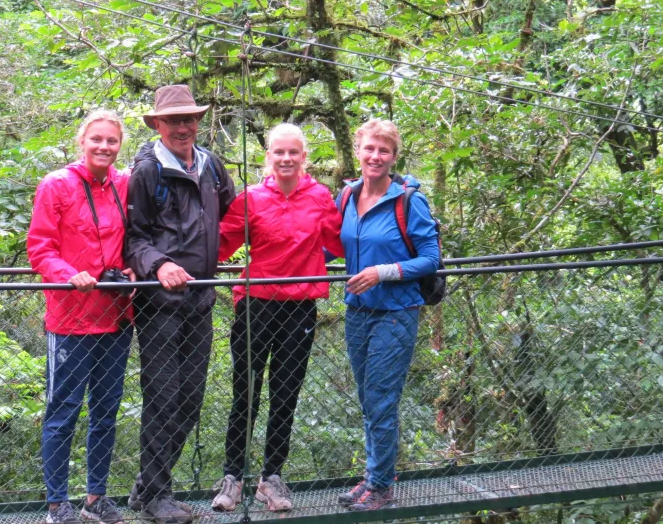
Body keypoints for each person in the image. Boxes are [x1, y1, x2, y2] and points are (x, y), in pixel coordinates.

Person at [211, 123, 344, 512]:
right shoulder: (251, 198)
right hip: (256, 303)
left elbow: (341, 241)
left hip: (300, 306)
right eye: (279, 152)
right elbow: (220, 243)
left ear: (304, 156)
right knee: (246, 393)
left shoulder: (319, 197)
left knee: (286, 393)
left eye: (293, 152)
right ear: (268, 156)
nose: (286, 158)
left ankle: (272, 478)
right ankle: (233, 477)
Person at [125, 85, 236, 524]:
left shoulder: (211, 165)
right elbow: (133, 237)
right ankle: (157, 497)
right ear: (157, 124)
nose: (183, 127)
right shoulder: (147, 171)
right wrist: (160, 264)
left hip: (201, 299)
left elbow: (233, 213)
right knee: (162, 398)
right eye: (173, 120)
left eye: (189, 119)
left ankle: (145, 486)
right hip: (160, 306)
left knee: (190, 400)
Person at [27, 109, 134, 524]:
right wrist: (70, 275)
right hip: (72, 316)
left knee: (106, 410)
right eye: (97, 140)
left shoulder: (125, 185)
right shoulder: (56, 185)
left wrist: (132, 269)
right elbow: (39, 248)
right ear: (81, 142)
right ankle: (57, 504)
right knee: (64, 409)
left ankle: (96, 498)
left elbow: (137, 239)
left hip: (117, 315)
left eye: (111, 141)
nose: (104, 147)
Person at [335, 119, 440, 511]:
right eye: (369, 148)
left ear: (394, 157)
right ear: (359, 151)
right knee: (367, 399)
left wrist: (384, 272)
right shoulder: (346, 196)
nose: (375, 156)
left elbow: (431, 259)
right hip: (357, 311)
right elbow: (331, 245)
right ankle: (372, 478)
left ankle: (381, 486)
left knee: (381, 398)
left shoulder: (408, 201)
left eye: (384, 150)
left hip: (396, 311)